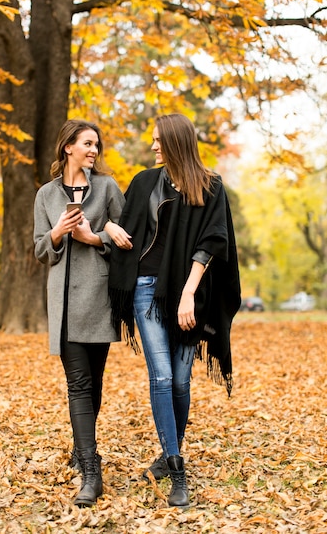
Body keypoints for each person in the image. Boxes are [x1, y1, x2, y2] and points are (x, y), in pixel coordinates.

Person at [107, 113, 241, 508]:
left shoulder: (211, 185)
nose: (152, 147)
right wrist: (109, 229)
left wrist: (187, 294)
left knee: (182, 382)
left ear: (176, 142)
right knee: (163, 377)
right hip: (146, 290)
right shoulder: (145, 182)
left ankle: (167, 456)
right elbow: (120, 225)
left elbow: (213, 242)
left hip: (189, 296)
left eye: (158, 141)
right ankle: (176, 466)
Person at [33, 119, 129, 508]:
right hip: (64, 304)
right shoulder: (45, 194)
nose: (94, 150)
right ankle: (92, 470)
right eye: (87, 143)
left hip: (99, 300)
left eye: (97, 145)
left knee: (94, 383)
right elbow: (40, 249)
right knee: (78, 385)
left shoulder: (106, 188)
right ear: (68, 146)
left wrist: (95, 237)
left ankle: (80, 446)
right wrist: (57, 232)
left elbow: (127, 236)